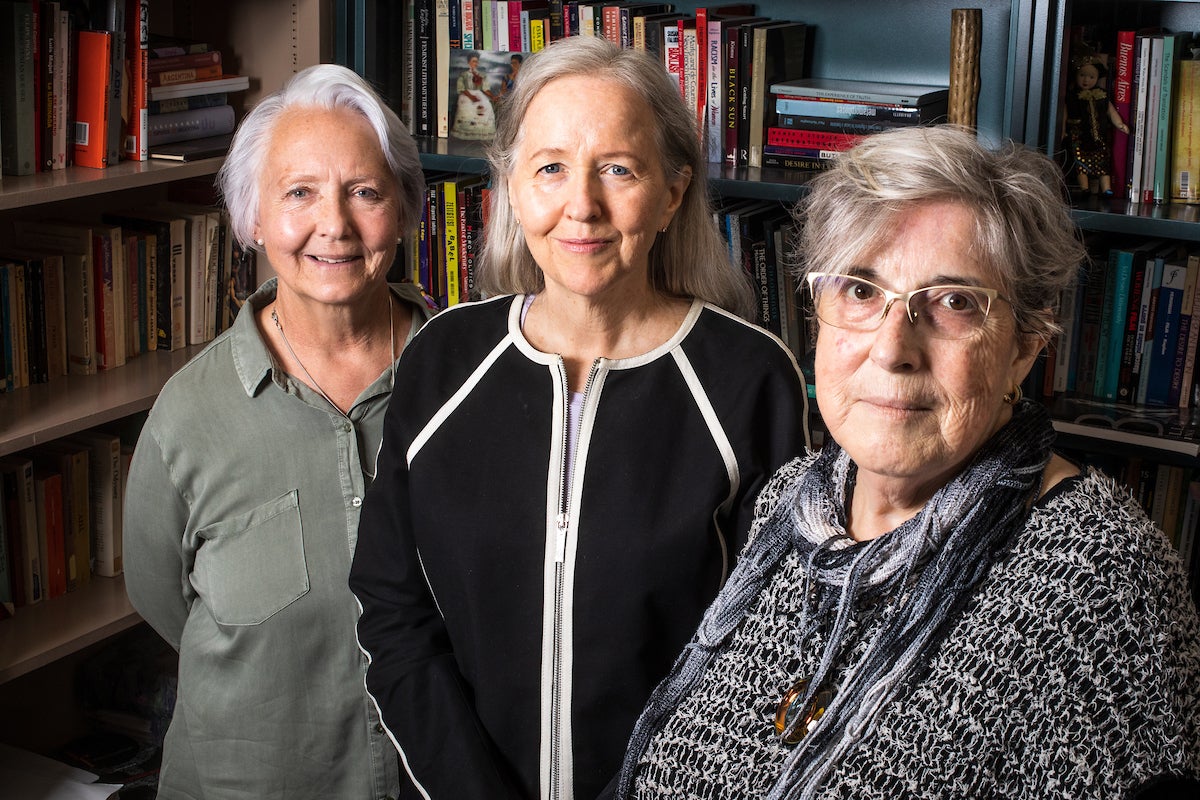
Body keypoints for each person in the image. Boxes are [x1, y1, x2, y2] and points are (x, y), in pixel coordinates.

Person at [615, 125, 1200, 799]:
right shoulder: (792, 505)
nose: (893, 348)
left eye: (953, 302)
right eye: (860, 291)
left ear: (1025, 346)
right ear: (818, 316)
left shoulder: (1101, 578)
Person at [349, 35, 809, 800]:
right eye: (551, 168)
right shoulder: (443, 360)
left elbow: (771, 652)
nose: (581, 206)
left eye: (618, 170)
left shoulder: (750, 380)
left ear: (670, 193)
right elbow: (392, 609)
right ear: (511, 188)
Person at [123, 63, 434, 799]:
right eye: (300, 193)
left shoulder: (471, 381)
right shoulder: (189, 414)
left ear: (404, 211)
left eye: (364, 191)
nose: (335, 225)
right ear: (254, 218)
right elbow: (159, 596)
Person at [1063, 53, 1129, 195]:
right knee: (1080, 163)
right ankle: (1085, 188)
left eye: (1091, 77)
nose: (1086, 80)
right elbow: (1064, 114)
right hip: (1079, 136)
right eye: (1082, 75)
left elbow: (1111, 111)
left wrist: (1120, 124)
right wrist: (1063, 130)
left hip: (1098, 137)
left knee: (1103, 164)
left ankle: (1106, 188)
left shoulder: (1102, 96)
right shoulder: (1073, 97)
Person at [451, 52, 498, 141]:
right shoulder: (464, 75)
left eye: (476, 61)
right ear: (469, 62)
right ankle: (467, 133)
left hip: (479, 94)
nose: (475, 63)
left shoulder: (481, 75)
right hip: (466, 95)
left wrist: (492, 97)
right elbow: (461, 88)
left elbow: (485, 89)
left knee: (486, 105)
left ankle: (482, 133)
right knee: (467, 108)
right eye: (473, 61)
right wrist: (471, 97)